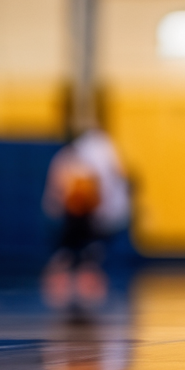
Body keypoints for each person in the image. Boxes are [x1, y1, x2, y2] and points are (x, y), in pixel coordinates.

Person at [42, 129, 130, 309]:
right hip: (77, 218)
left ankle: (82, 257)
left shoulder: (93, 161)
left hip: (98, 216)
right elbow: (55, 200)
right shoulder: (67, 161)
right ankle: (73, 256)